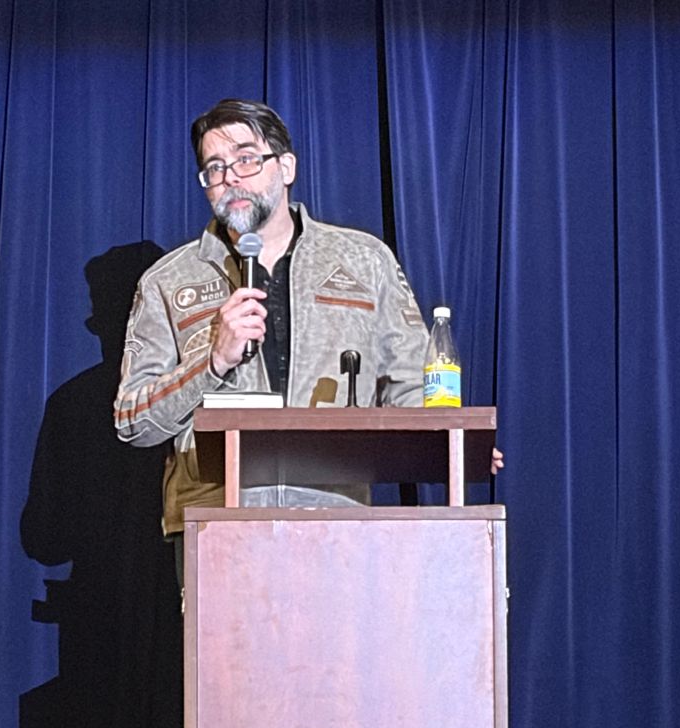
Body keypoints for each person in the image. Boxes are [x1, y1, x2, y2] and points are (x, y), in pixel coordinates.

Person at [114, 98, 502, 546]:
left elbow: (411, 385)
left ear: (286, 167)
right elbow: (133, 421)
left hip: (337, 518)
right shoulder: (169, 280)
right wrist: (211, 362)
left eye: (245, 159)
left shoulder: (363, 260)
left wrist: (450, 442)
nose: (231, 178)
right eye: (214, 168)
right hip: (214, 526)